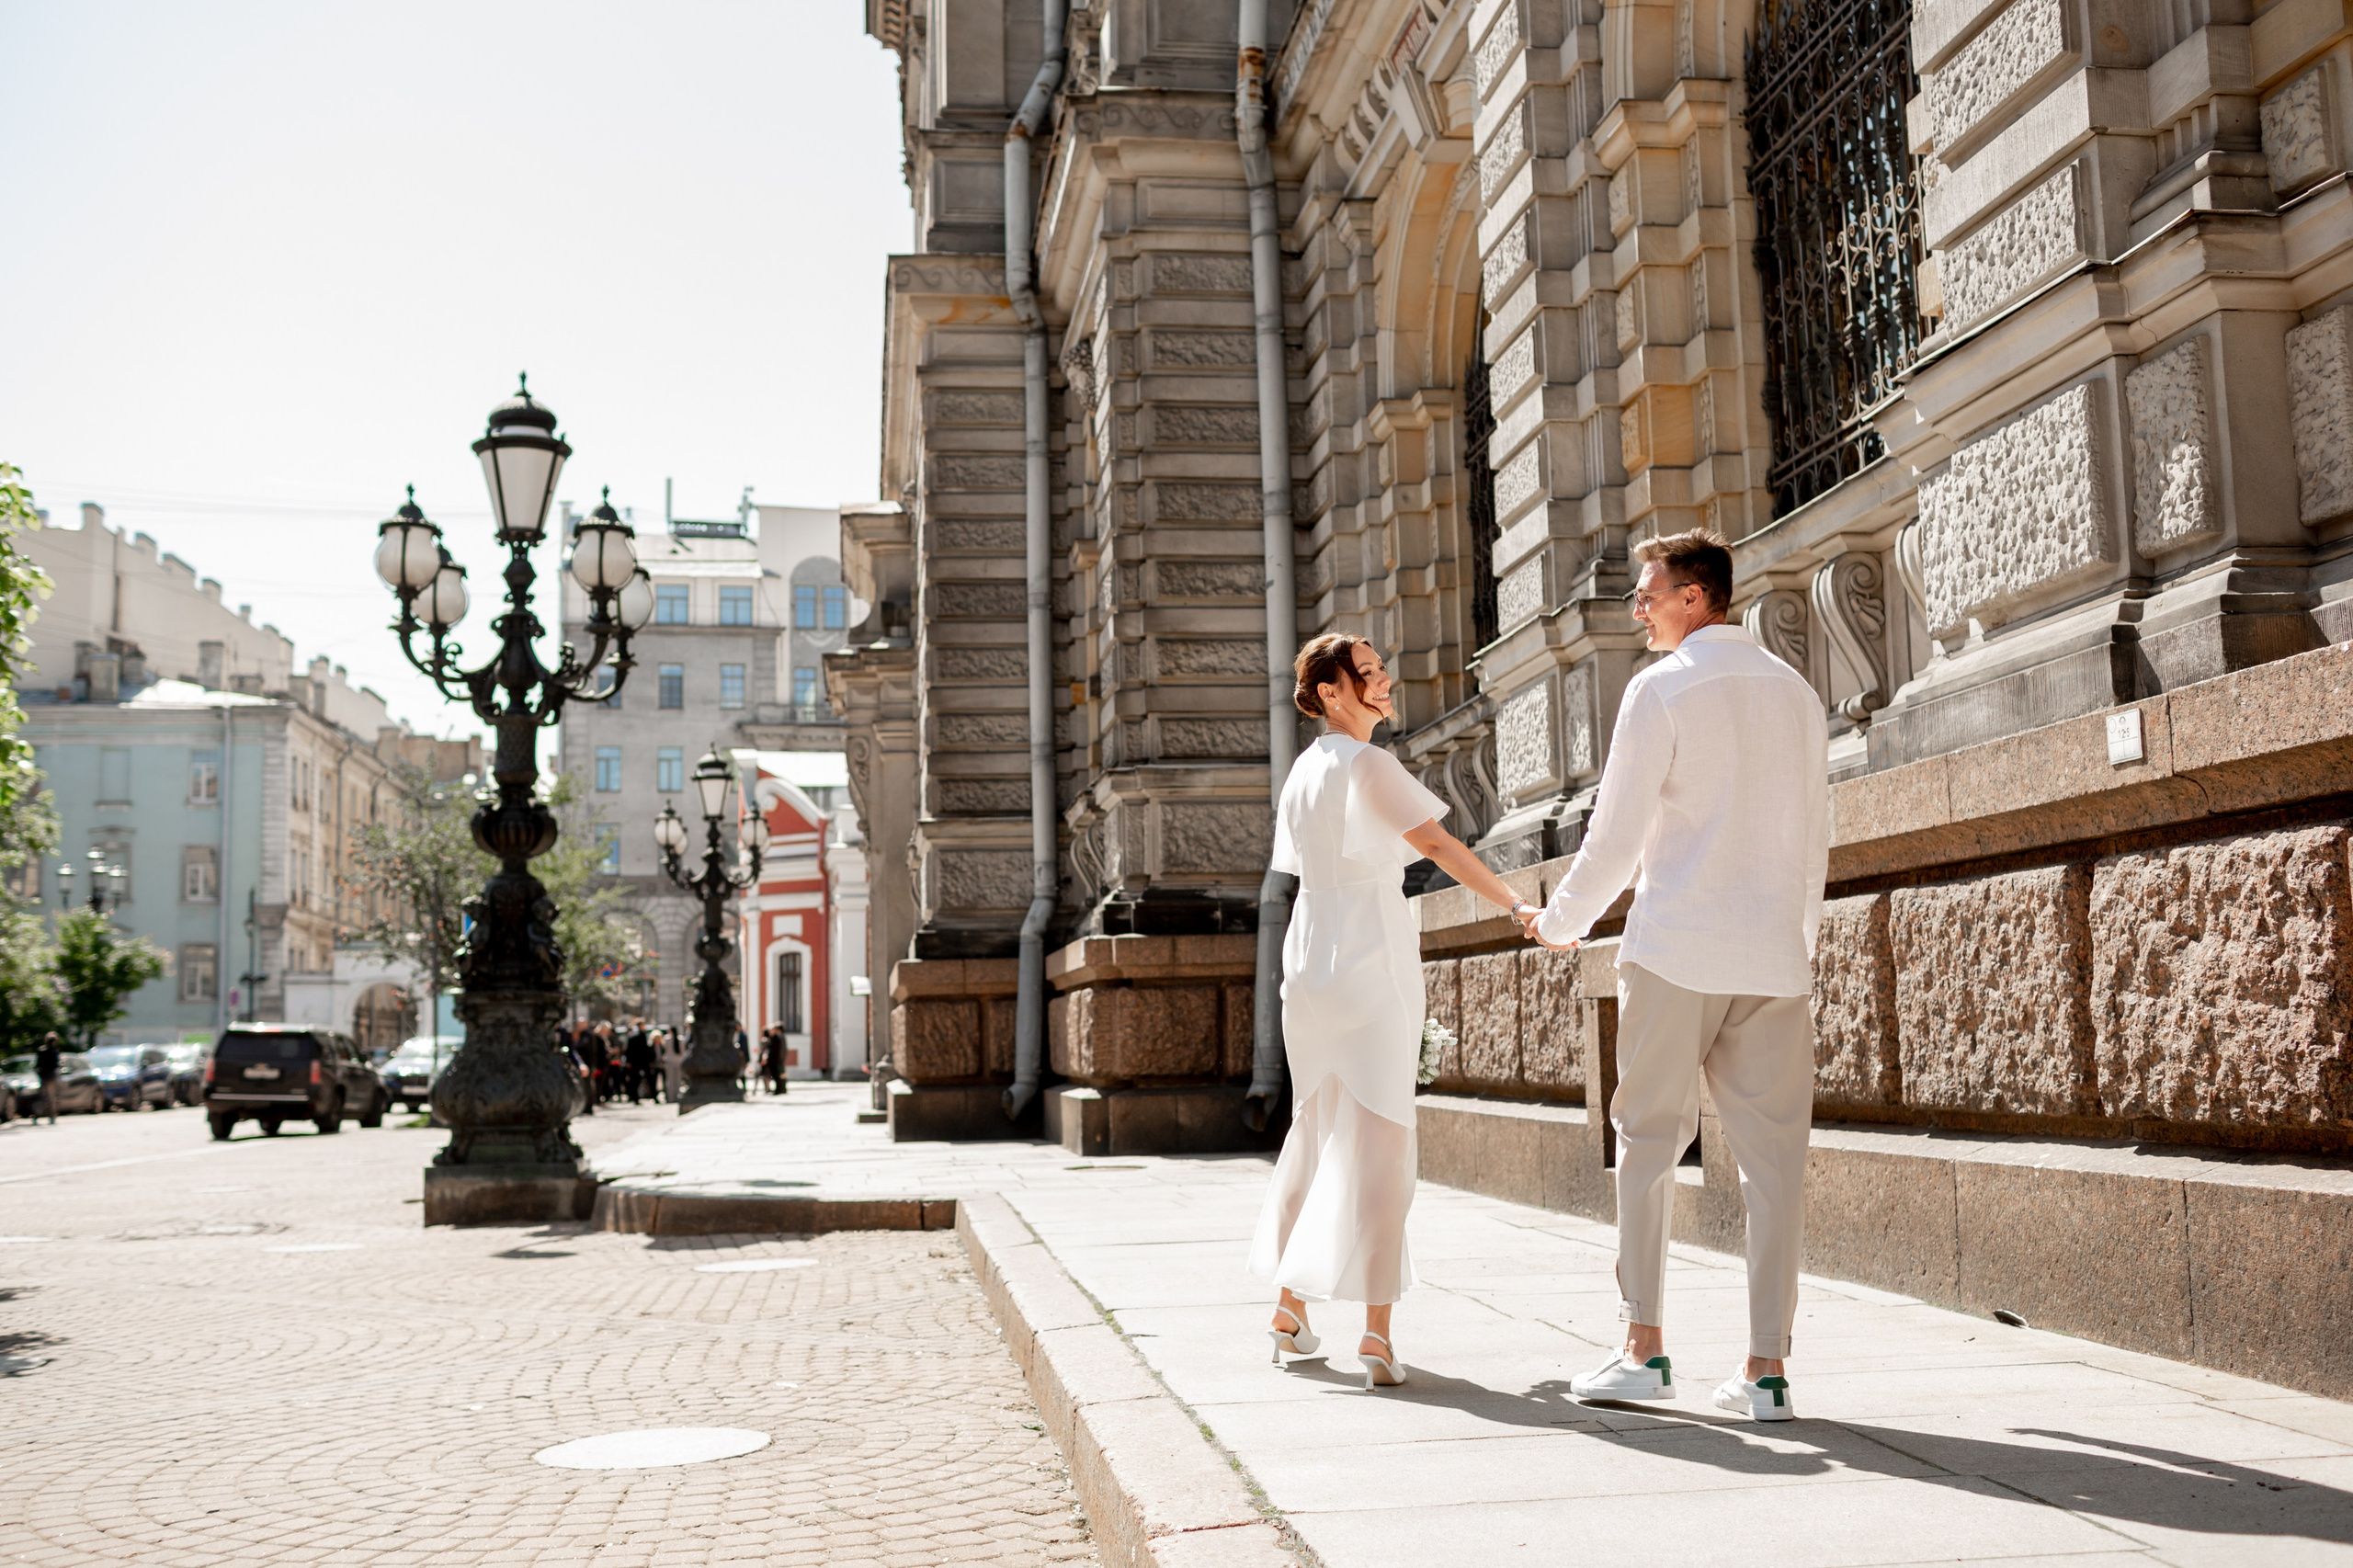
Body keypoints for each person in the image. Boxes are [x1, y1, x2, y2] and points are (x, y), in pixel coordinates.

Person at [1520, 528, 1828, 1424]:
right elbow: (1812, 839)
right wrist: (1795, 944)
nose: (1638, 609)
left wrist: (1559, 922)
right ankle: (1766, 1371)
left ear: (1696, 596)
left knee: (1647, 1146)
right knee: (1774, 1166)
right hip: (1774, 957)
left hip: (1677, 946)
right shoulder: (1798, 694)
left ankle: (1641, 1349)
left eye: (1648, 592)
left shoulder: (1661, 689)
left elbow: (1613, 837)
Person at [1248, 632, 1538, 1392]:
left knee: (1313, 1131)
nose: (1383, 682)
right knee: (1382, 1143)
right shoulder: (1366, 762)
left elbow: (1304, 869)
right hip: (1369, 957)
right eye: (1366, 674)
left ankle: (1288, 1309)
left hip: (1309, 962)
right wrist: (1515, 904)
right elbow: (1436, 843)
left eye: (1382, 669)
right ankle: (1376, 1333)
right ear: (1331, 692)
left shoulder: (1304, 772)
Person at [624, 1025, 657, 1105]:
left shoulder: (637, 1036)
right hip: (640, 1061)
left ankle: (634, 1096)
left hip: (639, 1061)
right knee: (638, 1079)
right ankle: (636, 1096)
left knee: (637, 1079)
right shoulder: (640, 1036)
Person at [34, 1030, 63, 1124]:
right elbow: (56, 1065)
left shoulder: (41, 1050)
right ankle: (52, 1116)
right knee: (52, 1098)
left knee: (42, 1097)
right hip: (51, 1076)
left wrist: (41, 1075)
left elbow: (37, 1065)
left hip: (43, 1076)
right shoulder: (54, 1051)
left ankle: (36, 1115)